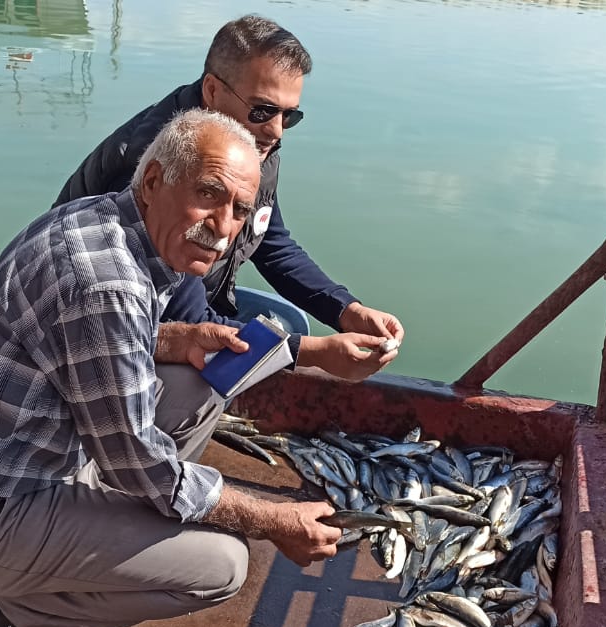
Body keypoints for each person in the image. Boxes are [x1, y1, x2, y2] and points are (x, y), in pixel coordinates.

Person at [0, 110, 342, 627]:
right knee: (221, 565)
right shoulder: (105, 284)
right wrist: (275, 518)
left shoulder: (105, 221)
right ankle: (2, 615)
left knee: (200, 384)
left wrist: (175, 338)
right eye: (208, 196)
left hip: (1, 467)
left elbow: (82, 341)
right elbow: (141, 464)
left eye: (238, 209)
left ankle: (81, 549)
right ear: (153, 182)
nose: (223, 226)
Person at [55, 14, 404, 382]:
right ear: (212, 91)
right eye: (263, 110)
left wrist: (346, 310)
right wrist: (310, 353)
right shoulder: (162, 165)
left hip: (197, 301)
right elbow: (188, 325)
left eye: (289, 115)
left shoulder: (248, 142)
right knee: (216, 372)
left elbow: (269, 238)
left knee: (288, 323)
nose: (275, 130)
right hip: (111, 329)